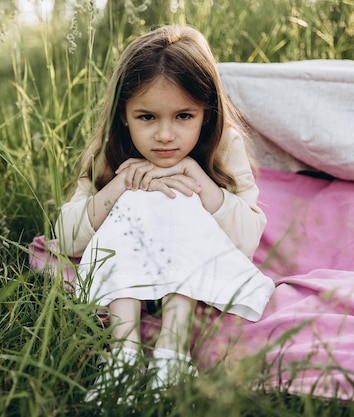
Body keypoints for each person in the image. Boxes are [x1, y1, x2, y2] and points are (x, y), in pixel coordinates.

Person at [54, 25, 275, 403]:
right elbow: (68, 237)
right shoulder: (110, 149)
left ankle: (171, 353)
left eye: (184, 116)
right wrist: (119, 186)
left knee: (180, 194)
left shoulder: (225, 146)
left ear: (207, 113)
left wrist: (201, 184)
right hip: (125, 268)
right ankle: (122, 354)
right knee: (137, 194)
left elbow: (246, 242)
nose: (165, 135)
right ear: (123, 115)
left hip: (195, 276)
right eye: (147, 117)